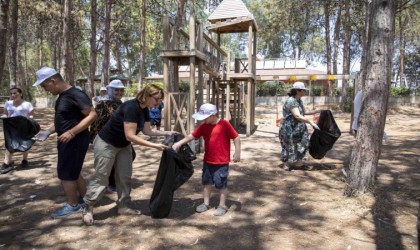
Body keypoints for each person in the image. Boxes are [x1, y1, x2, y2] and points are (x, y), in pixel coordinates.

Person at [82, 83, 177, 226]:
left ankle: (123, 206)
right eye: (156, 99)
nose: (159, 102)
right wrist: (155, 146)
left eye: (160, 99)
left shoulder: (144, 108)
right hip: (106, 143)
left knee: (124, 176)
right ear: (146, 96)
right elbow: (131, 136)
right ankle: (88, 207)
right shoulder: (132, 107)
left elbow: (147, 131)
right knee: (102, 176)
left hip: (123, 145)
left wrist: (166, 132)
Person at [32, 66, 97, 218]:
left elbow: (92, 115)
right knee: (73, 170)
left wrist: (72, 132)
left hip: (75, 139)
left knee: (66, 173)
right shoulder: (63, 96)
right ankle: (85, 199)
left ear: (53, 81)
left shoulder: (75, 94)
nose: (44, 89)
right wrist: (48, 132)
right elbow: (66, 120)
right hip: (67, 138)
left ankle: (73, 205)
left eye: (44, 85)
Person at [172, 103, 241, 216]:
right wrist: (179, 143)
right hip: (208, 161)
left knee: (221, 184)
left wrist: (237, 152)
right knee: (206, 182)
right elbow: (192, 136)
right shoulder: (204, 126)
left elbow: (236, 137)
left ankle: (222, 205)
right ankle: (206, 203)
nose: (202, 120)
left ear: (213, 115)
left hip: (221, 162)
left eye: (204, 117)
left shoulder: (224, 124)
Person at [89, 79, 126, 193]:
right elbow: (95, 123)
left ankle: (112, 181)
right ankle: (108, 184)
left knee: (120, 160)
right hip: (104, 138)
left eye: (121, 90)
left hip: (118, 137)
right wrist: (93, 139)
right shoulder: (102, 104)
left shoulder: (120, 104)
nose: (119, 92)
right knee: (105, 163)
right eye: (116, 90)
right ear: (110, 90)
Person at [279, 81, 320, 171]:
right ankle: (285, 164)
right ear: (298, 91)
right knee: (288, 144)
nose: (304, 92)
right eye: (303, 90)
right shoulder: (291, 101)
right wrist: (311, 122)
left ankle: (299, 163)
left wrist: (317, 111)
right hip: (289, 127)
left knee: (303, 143)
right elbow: (297, 115)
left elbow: (304, 112)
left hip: (299, 127)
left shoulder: (299, 100)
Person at [1, 87, 34, 174]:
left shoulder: (27, 104)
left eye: (15, 93)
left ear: (20, 94)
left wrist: (30, 121)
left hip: (23, 126)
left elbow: (31, 115)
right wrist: (4, 116)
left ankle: (24, 160)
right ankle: (7, 163)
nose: (13, 95)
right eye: (11, 93)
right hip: (10, 127)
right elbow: (5, 113)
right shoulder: (8, 103)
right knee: (9, 144)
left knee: (25, 143)